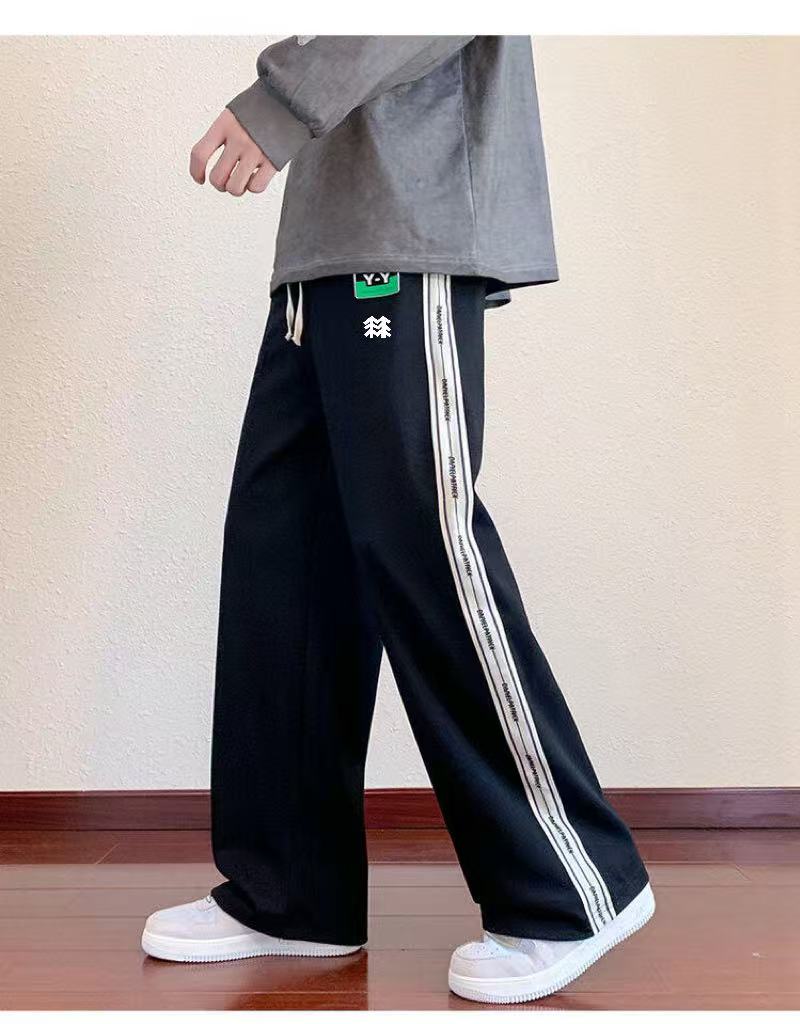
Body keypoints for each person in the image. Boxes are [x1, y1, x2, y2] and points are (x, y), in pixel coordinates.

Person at [140, 35, 654, 1004]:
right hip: (326, 245)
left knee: (424, 545)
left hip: (407, 230)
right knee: (287, 556)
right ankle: (290, 894)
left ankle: (574, 885)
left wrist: (281, 100)